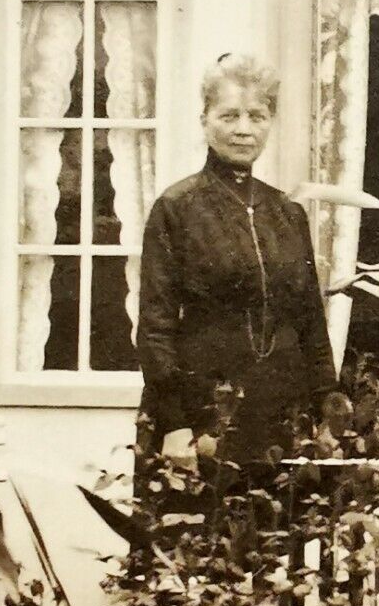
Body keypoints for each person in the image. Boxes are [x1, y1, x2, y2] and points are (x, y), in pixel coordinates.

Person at [136, 54, 335, 465]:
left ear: (270, 122)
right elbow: (155, 328)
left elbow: (311, 322)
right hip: (200, 415)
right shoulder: (177, 208)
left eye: (257, 116)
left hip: (280, 410)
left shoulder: (287, 213)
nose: (244, 129)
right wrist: (174, 424)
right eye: (229, 116)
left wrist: (326, 415)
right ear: (205, 119)